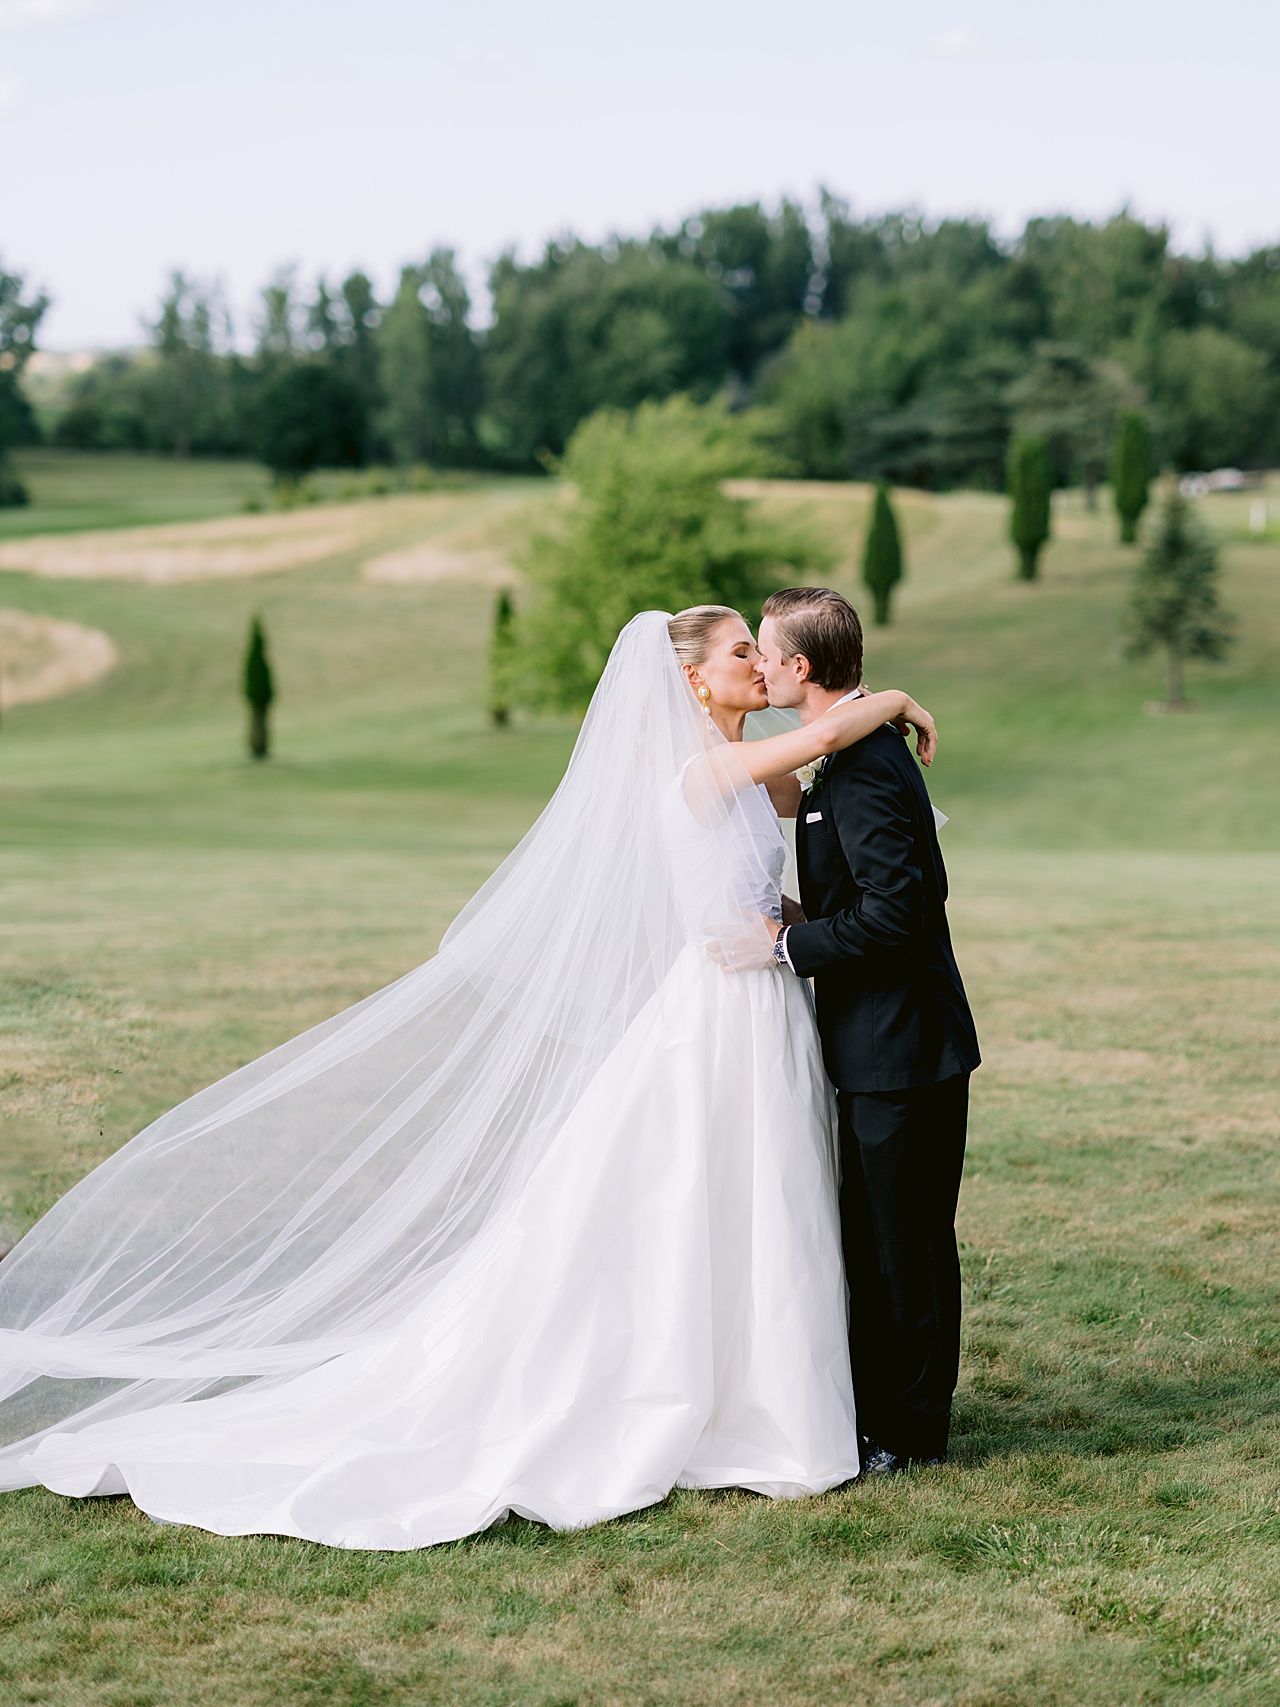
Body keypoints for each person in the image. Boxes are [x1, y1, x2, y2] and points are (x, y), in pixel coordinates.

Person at [0, 606, 935, 1549]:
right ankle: (714, 1400)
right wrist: (890, 698)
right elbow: (819, 735)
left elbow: (800, 796)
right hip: (716, 1011)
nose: (756, 667)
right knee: (699, 1193)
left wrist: (784, 918)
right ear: (692, 680)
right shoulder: (697, 771)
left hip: (763, 1001)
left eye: (759, 651)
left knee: (761, 1200)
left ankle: (765, 1391)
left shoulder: (748, 776)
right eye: (741, 652)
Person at [757, 588, 980, 1475]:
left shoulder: (865, 766)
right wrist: (802, 916)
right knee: (880, 1239)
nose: (764, 668)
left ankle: (912, 1432)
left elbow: (903, 912)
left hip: (905, 1049)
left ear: (801, 668)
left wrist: (787, 944)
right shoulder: (850, 756)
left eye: (769, 654)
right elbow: (880, 900)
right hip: (880, 1043)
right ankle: (883, 1411)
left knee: (907, 1245)